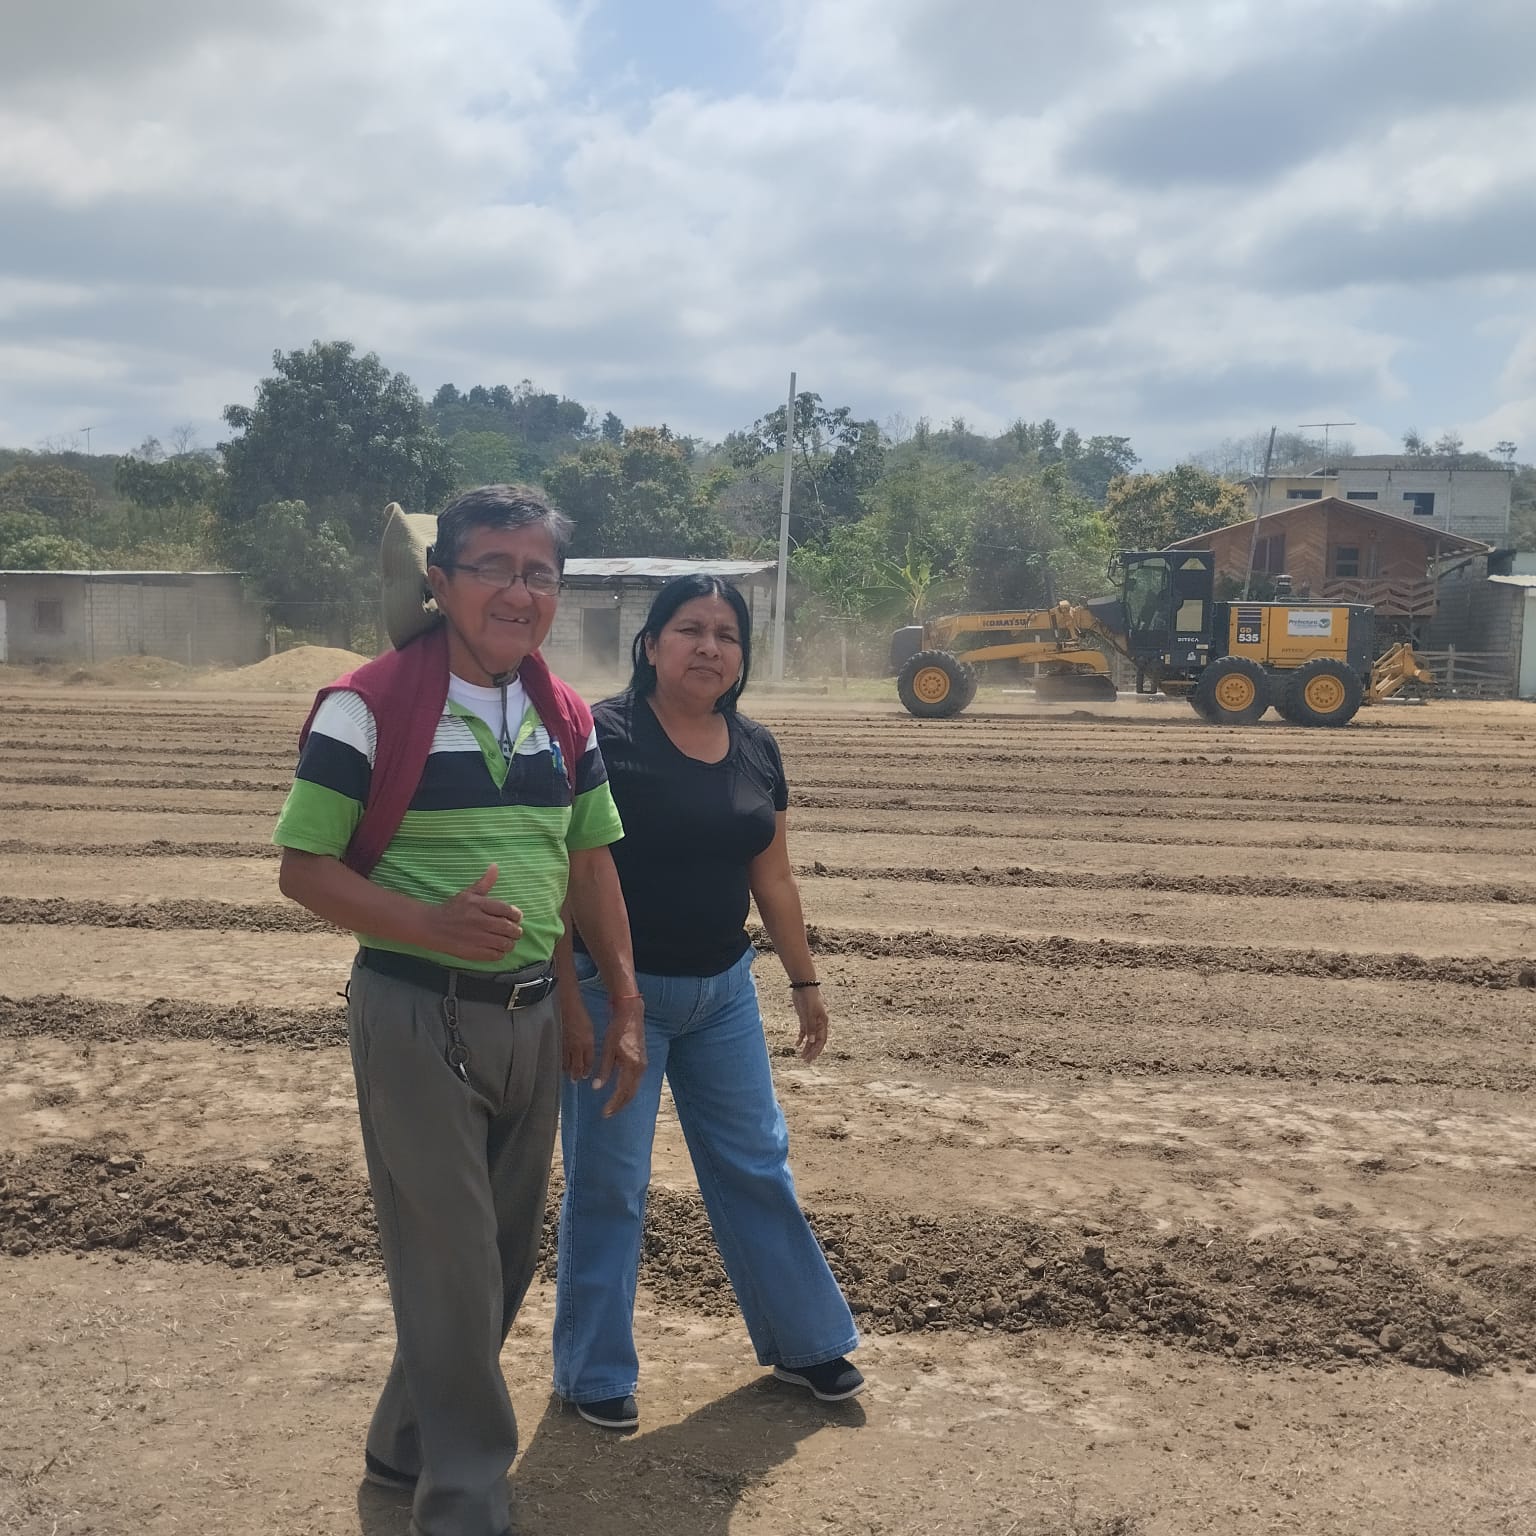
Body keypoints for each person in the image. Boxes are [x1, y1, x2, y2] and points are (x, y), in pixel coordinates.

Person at [273, 484, 646, 1536]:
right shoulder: (366, 706)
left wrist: (614, 1001)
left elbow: (586, 864)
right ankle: (465, 1503)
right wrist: (426, 924)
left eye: (539, 574)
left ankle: (403, 1444)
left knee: (501, 1261)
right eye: (493, 568)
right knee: (452, 1263)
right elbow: (302, 869)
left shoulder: (565, 714)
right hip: (415, 1011)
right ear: (440, 582)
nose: (519, 593)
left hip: (534, 1017)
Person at [553, 573, 862, 1431]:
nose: (710, 647)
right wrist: (572, 998)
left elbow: (775, 875)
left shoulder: (756, 746)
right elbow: (565, 872)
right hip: (617, 996)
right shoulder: (600, 736)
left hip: (723, 995)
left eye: (727, 635)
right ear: (651, 644)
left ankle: (806, 1343)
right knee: (610, 1184)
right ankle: (592, 1371)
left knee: (756, 1164)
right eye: (690, 629)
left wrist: (805, 982)